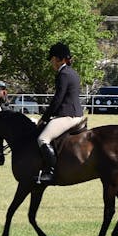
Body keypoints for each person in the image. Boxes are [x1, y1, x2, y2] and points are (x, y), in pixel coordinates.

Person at [35, 42, 84, 184]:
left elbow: (58, 99)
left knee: (42, 139)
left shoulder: (63, 74)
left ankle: (51, 173)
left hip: (69, 115)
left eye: (52, 60)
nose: (52, 63)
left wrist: (45, 118)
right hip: (75, 113)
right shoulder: (72, 72)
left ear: (59, 59)